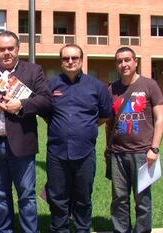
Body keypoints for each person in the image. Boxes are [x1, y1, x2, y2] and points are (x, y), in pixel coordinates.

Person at [0, 30, 52, 233]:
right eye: (2, 49)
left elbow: (46, 100)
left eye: (10, 49)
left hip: (22, 143)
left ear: (18, 49)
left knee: (26, 195)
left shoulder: (33, 71)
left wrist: (21, 104)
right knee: (0, 194)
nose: (6, 53)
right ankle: (4, 230)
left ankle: (30, 231)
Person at [45, 44, 112, 233]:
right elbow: (45, 113)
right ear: (61, 62)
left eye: (74, 58)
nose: (70, 61)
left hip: (85, 153)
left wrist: (86, 128)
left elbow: (105, 115)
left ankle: (82, 230)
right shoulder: (51, 85)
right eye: (66, 58)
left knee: (83, 198)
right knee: (57, 197)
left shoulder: (97, 86)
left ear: (81, 60)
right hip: (57, 153)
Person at [105, 47, 163, 233]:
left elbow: (160, 119)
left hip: (142, 153)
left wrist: (154, 149)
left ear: (135, 61)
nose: (123, 64)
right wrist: (108, 148)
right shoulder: (112, 88)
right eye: (119, 61)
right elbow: (109, 123)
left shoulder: (149, 85)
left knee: (143, 199)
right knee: (119, 199)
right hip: (117, 154)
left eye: (127, 60)